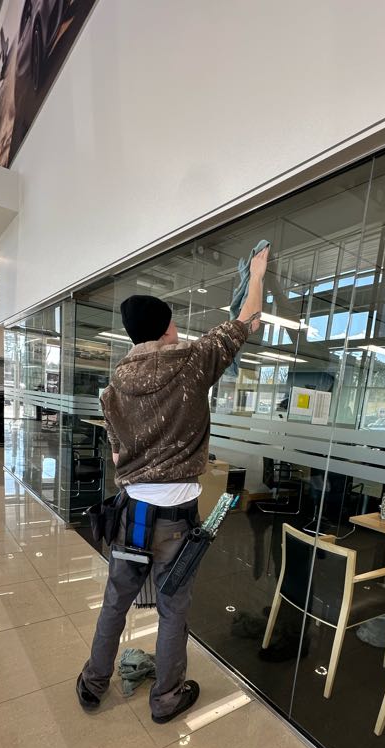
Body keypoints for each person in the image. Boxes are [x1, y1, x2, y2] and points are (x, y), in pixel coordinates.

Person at [77, 245, 270, 723]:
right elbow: (248, 319)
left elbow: (119, 453)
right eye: (174, 323)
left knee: (114, 603)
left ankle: (93, 683)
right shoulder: (194, 361)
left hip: (130, 515)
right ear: (167, 327)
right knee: (172, 608)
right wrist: (258, 272)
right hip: (176, 521)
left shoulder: (115, 384)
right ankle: (165, 698)